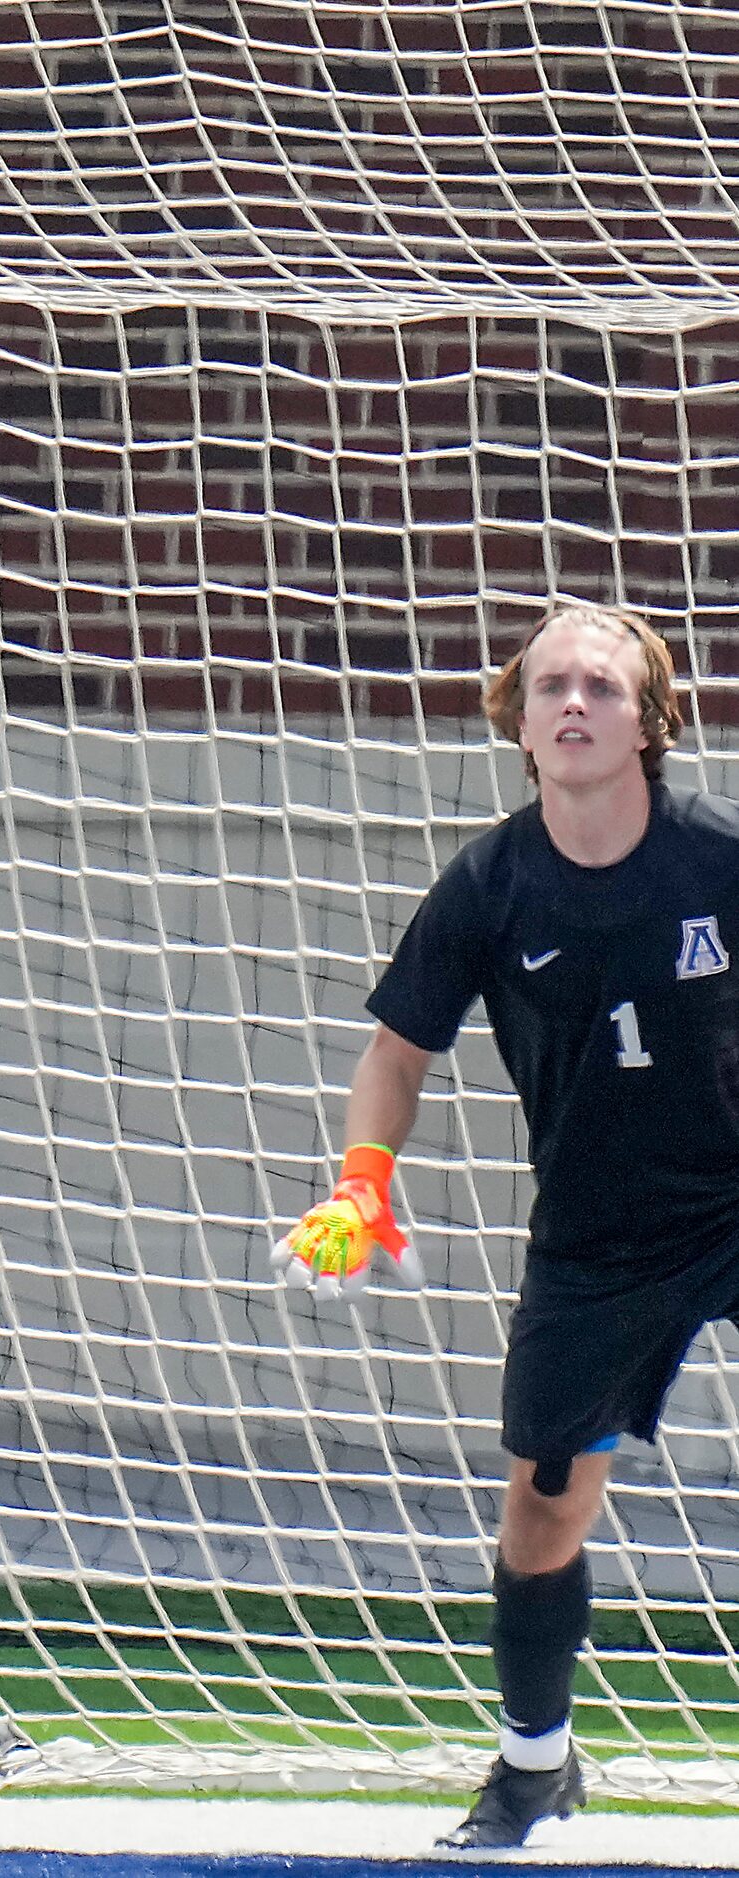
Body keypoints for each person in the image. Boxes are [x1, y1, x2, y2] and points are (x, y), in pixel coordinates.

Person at [271, 599, 739, 1850]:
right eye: (550, 688)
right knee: (541, 1512)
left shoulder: (720, 861)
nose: (574, 702)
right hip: (599, 1235)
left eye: (601, 685)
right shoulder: (489, 882)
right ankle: (535, 1764)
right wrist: (361, 1181)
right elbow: (397, 1051)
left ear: (650, 721)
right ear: (519, 723)